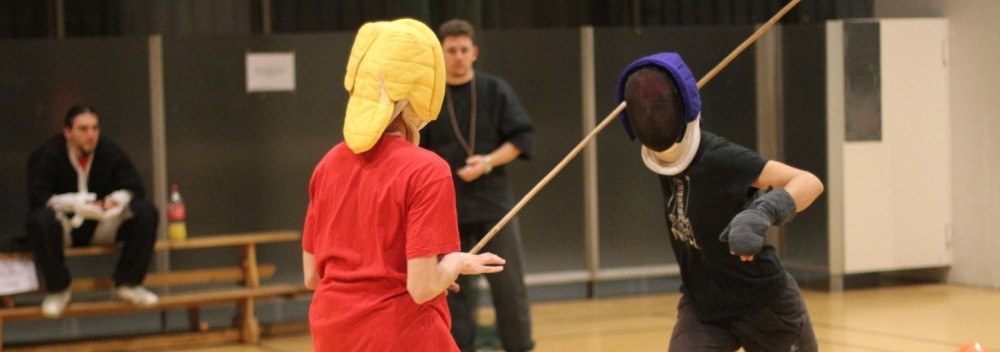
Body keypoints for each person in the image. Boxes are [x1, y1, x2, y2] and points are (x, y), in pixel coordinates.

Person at [301, 18, 506, 351]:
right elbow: (422, 287)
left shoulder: (327, 164)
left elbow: (313, 276)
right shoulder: (427, 169)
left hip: (331, 335)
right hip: (401, 336)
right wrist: (454, 263)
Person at [615, 52, 824, 352]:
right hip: (704, 307)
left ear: (680, 106)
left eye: (659, 105)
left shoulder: (719, 158)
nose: (650, 116)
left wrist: (761, 212)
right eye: (641, 107)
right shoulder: (662, 160)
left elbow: (809, 182)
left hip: (764, 305)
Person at [420, 18, 535, 352]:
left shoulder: (495, 90)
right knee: (450, 289)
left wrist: (487, 162)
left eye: (463, 50)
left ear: (474, 52)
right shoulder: (430, 96)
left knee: (509, 287)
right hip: (446, 208)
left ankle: (520, 347)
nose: (457, 56)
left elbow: (521, 138)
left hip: (492, 204)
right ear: (441, 54)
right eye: (450, 50)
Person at [26, 104, 160, 319]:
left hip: (102, 225)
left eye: (95, 128)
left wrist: (115, 201)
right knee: (39, 220)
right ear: (68, 132)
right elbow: (39, 198)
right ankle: (58, 289)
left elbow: (134, 187)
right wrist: (77, 202)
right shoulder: (47, 154)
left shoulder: (109, 150)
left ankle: (128, 283)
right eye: (83, 129)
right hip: (64, 226)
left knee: (146, 212)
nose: (91, 135)